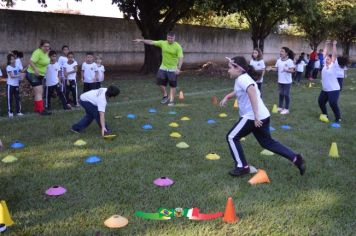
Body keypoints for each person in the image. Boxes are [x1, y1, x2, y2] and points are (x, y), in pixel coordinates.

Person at [220, 56, 305, 177]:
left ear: (238, 68)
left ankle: (242, 167)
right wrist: (227, 96)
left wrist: (256, 116)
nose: (228, 70)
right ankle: (297, 159)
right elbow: (240, 91)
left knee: (232, 137)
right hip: (263, 115)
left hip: (253, 117)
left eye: (230, 68)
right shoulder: (243, 78)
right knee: (267, 143)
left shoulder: (242, 79)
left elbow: (252, 93)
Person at [133, 31, 183, 106]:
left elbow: (181, 58)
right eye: (169, 38)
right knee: (159, 83)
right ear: (167, 37)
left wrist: (178, 68)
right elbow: (151, 42)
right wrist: (141, 40)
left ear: (174, 38)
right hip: (163, 67)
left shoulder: (177, 46)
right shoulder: (163, 43)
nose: (170, 39)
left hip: (173, 69)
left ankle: (171, 101)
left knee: (172, 86)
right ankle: (165, 95)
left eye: (172, 38)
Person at [267, 47, 295, 115]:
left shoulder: (289, 61)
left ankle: (286, 109)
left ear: (286, 53)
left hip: (287, 82)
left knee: (286, 94)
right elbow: (276, 69)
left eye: (282, 51)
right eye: (280, 51)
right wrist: (271, 68)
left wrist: (286, 70)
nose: (280, 53)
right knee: (281, 94)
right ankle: (280, 107)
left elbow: (293, 70)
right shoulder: (278, 60)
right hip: (280, 81)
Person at [318, 40, 341, 123]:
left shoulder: (334, 66)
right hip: (325, 89)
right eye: (326, 59)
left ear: (332, 60)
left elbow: (334, 55)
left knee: (332, 103)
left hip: (334, 89)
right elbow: (324, 53)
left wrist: (334, 45)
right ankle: (325, 115)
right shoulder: (325, 65)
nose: (326, 60)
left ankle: (338, 118)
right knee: (321, 102)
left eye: (328, 59)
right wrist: (326, 44)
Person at [26, 39, 51, 115]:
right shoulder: (37, 52)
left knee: (39, 92)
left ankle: (37, 109)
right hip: (33, 74)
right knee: (39, 92)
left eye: (48, 46)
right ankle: (41, 110)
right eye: (45, 46)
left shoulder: (46, 53)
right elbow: (30, 61)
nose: (47, 48)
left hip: (40, 75)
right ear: (41, 46)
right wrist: (35, 69)